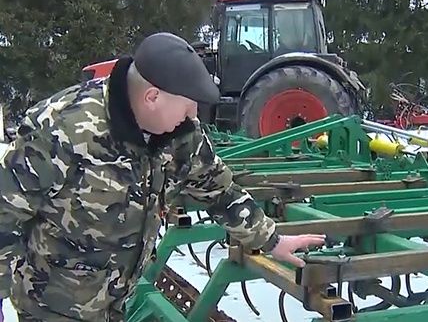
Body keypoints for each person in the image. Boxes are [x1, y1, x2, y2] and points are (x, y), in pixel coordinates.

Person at [0, 32, 325, 322]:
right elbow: (5, 213)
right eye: (186, 107)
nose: (193, 116)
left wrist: (272, 240)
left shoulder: (181, 135)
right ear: (152, 98)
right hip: (52, 306)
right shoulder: (61, 130)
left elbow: (218, 188)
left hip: (114, 303)